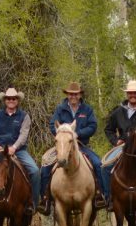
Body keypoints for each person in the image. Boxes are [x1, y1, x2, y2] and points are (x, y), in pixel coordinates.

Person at [40, 82, 105, 211]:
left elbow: (93, 126)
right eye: (71, 94)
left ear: (80, 94)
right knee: (46, 165)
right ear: (67, 95)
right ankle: (44, 198)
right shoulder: (60, 109)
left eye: (76, 94)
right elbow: (53, 124)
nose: (73, 96)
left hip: (81, 145)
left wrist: (77, 134)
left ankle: (101, 195)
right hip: (63, 145)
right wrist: (63, 134)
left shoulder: (87, 110)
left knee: (98, 164)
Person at [0, 87, 41, 215]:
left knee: (35, 171)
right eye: (9, 98)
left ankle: (33, 203)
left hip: (19, 151)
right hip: (0, 152)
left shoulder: (24, 116)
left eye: (14, 98)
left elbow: (23, 135)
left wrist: (14, 147)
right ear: (5, 100)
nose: (11, 100)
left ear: (17, 100)